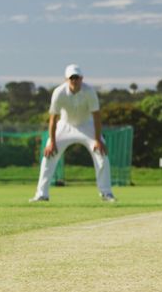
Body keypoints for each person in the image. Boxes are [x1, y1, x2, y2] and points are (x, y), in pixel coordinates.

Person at [30, 64, 115, 203]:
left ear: (82, 78)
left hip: (87, 125)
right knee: (48, 156)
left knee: (101, 154)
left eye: (77, 78)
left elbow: (97, 117)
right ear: (66, 80)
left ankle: (106, 193)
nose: (74, 81)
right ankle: (41, 194)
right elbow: (53, 119)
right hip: (65, 125)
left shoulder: (89, 92)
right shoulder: (59, 92)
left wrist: (98, 139)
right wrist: (52, 142)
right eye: (72, 78)